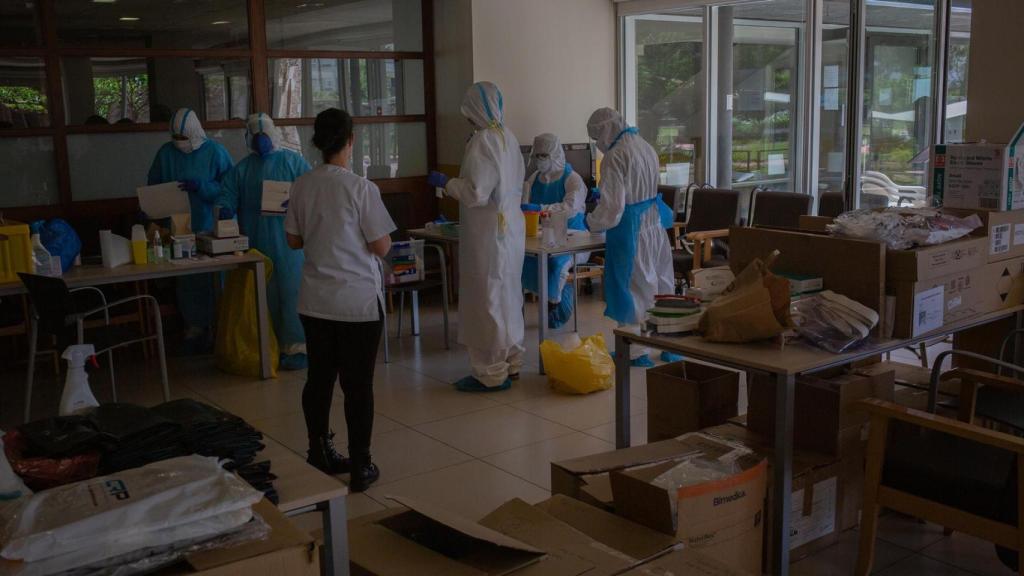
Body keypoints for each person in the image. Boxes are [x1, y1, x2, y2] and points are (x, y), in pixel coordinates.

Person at [284, 108, 394, 491]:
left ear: (317, 142)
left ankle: (319, 451)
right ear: (350, 141)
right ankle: (361, 465)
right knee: (358, 385)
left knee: (319, 380)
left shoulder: (301, 185)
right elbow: (381, 246)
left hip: (315, 302)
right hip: (357, 304)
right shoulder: (361, 188)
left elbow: (293, 241)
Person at [427, 82, 525, 392]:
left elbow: (475, 193)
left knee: (486, 299)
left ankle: (490, 371)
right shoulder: (508, 137)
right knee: (508, 294)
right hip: (510, 228)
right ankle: (512, 360)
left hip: (488, 233)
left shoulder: (483, 141)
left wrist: (447, 183)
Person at [220, 113, 311, 370]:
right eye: (256, 137)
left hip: (290, 243)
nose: (261, 142)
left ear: (274, 135)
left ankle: (297, 347)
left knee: (293, 293)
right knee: (263, 295)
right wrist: (225, 208)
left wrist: (295, 202)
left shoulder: (293, 161)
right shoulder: (243, 168)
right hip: (256, 243)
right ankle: (268, 346)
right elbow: (227, 192)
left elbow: (312, 190)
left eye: (264, 137)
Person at [584, 107, 674, 367]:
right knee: (663, 284)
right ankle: (670, 343)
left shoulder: (615, 156)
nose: (598, 144)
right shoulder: (645, 146)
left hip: (632, 229)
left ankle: (636, 351)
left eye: (596, 137)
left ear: (604, 131)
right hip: (655, 224)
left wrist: (590, 222)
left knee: (637, 289)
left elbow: (612, 208)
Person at [147, 108, 233, 352]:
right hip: (178, 229)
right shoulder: (165, 154)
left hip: (208, 226)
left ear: (195, 134)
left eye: (184, 138)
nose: (180, 143)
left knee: (215, 280)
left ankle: (220, 329)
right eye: (176, 138)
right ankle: (194, 328)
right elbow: (154, 185)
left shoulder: (216, 152)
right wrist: (150, 208)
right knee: (187, 282)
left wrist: (202, 187)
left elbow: (229, 188)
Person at [521, 133, 589, 329]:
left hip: (574, 240)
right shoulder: (533, 179)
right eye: (537, 156)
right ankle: (544, 301)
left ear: (555, 154)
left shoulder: (572, 179)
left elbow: (570, 208)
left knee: (557, 264)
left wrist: (540, 209)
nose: (539, 160)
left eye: (544, 155)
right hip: (541, 238)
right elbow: (524, 205)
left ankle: (555, 305)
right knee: (522, 261)